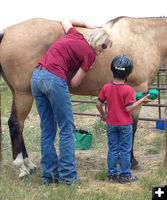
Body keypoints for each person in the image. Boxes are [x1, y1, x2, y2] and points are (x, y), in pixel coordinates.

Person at [31, 19, 112, 184]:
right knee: (67, 129)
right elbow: (75, 83)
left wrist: (86, 24)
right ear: (97, 41)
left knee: (47, 130)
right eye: (104, 46)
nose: (103, 50)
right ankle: (68, 177)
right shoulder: (90, 55)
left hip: (36, 77)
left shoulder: (74, 34)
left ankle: (49, 176)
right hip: (54, 79)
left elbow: (65, 20)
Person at [96, 54, 151, 184]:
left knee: (113, 149)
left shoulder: (106, 87)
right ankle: (125, 175)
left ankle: (111, 175)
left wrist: (103, 114)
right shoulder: (128, 89)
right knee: (125, 150)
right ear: (128, 74)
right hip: (125, 125)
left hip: (111, 124)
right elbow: (128, 108)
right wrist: (142, 100)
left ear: (112, 70)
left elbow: (98, 103)